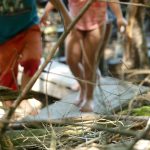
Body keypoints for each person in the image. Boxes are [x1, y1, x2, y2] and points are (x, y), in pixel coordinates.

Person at [42, 0, 127, 112]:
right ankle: (83, 87)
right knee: (71, 60)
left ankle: (89, 97)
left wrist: (120, 17)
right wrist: (46, 12)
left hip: (96, 23)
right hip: (73, 21)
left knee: (88, 63)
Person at [0, 0, 42, 115]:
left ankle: (24, 97)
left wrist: (66, 15)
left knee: (33, 60)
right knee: (6, 76)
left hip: (28, 25)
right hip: (3, 36)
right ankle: (10, 114)